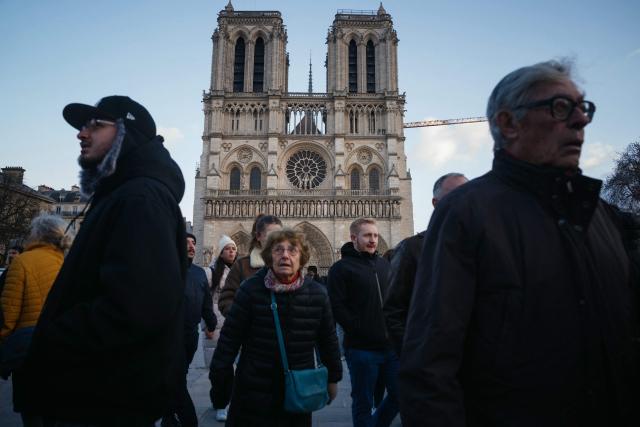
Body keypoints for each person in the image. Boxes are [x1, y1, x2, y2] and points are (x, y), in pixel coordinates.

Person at [398, 59, 639, 426]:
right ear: (508, 123)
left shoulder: (602, 216)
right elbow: (429, 365)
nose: (580, 120)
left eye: (583, 108)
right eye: (561, 108)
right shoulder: (466, 214)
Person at [18, 95, 188, 425]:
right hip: (95, 394)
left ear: (127, 133)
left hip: (98, 400)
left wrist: (49, 340)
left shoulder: (139, 198)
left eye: (95, 125)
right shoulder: (125, 193)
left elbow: (137, 307)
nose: (82, 133)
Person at [210, 228, 342, 426]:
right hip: (253, 390)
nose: (285, 256)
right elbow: (228, 342)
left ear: (303, 258)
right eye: (278, 250)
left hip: (297, 389)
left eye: (293, 251)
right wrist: (221, 389)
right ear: (268, 256)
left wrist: (333, 378)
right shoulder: (250, 290)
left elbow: (328, 340)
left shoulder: (317, 294)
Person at [383, 172, 468, 355]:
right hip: (430, 360)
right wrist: (413, 356)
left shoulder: (485, 245)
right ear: (436, 203)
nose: (462, 202)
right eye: (453, 196)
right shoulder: (411, 249)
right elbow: (394, 311)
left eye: (468, 196)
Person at [1, 214, 73, 426]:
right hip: (63, 352)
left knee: (33, 415)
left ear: (37, 234)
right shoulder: (71, 263)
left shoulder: (23, 261)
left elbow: (8, 315)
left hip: (28, 355)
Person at [328, 218, 398, 427]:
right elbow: (337, 306)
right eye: (367, 235)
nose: (373, 240)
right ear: (353, 238)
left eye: (375, 235)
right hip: (361, 348)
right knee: (363, 401)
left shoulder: (384, 265)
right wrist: (357, 328)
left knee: (401, 394)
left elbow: (395, 300)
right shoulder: (341, 268)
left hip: (390, 347)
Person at [163, 233, 217, 427]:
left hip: (189, 335)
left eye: (194, 243)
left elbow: (206, 302)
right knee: (174, 379)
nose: (192, 246)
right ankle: (187, 421)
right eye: (186, 243)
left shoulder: (199, 273)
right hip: (168, 334)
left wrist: (210, 323)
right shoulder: (165, 267)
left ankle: (169, 417)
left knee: (178, 377)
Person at [218, 214, 282, 316]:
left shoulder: (289, 264)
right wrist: (243, 318)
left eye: (279, 235)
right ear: (258, 236)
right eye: (271, 235)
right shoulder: (242, 265)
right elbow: (226, 300)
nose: (275, 240)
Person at [207, 234, 237, 422]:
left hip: (233, 326)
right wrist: (208, 324)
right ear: (220, 252)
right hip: (215, 325)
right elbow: (204, 301)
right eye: (228, 248)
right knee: (217, 369)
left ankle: (222, 402)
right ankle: (219, 402)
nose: (232, 251)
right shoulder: (211, 273)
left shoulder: (238, 272)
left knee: (226, 368)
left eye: (234, 248)